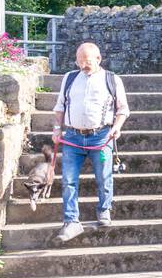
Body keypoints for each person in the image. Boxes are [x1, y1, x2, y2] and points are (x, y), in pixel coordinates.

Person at [52, 42, 129, 242]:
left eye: (87, 62)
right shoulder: (69, 78)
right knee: (68, 180)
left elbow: (122, 110)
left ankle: (104, 211)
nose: (83, 66)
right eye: (79, 62)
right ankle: (71, 221)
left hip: (101, 137)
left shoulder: (112, 79)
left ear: (98, 59)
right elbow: (60, 106)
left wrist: (117, 127)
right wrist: (56, 129)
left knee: (104, 177)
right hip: (72, 137)